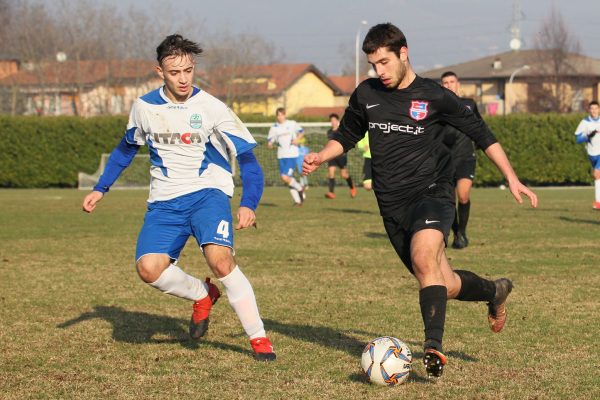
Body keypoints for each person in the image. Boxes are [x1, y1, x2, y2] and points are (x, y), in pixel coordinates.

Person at [303, 23, 537, 378]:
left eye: (384, 62)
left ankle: (433, 348)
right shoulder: (366, 94)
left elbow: (481, 132)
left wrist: (511, 176)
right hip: (391, 204)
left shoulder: (434, 95)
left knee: (424, 257)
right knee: (442, 281)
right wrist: (322, 155)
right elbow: (347, 134)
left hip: (432, 192)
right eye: (373, 64)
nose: (378, 71)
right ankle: (495, 290)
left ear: (403, 53)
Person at [81, 34, 275, 362]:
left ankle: (259, 339)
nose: (183, 78)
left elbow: (248, 161)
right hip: (164, 202)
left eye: (188, 70)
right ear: (160, 72)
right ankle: (203, 294)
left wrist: (248, 203)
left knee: (221, 260)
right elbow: (125, 149)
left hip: (207, 195)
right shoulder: (143, 107)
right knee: (149, 269)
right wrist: (101, 188)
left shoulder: (213, 108)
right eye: (175, 72)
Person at [440, 71, 480, 249]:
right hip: (445, 161)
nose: (449, 85)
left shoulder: (469, 105)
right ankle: (457, 234)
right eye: (445, 82)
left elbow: (480, 128)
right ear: (442, 86)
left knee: (463, 196)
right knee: (449, 201)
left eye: (452, 81)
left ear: (458, 84)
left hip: (465, 158)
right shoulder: (438, 108)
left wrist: (482, 145)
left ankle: (462, 231)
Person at [268, 107, 306, 206]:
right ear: (276, 116)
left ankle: (300, 188)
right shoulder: (274, 127)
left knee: (285, 177)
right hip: (281, 155)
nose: (280, 117)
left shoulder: (292, 124)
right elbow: (271, 139)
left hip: (292, 154)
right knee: (288, 179)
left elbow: (301, 131)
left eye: (282, 114)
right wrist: (270, 144)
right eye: (278, 115)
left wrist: (297, 139)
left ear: (285, 115)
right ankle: (298, 201)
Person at [574, 100, 600, 210]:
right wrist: (588, 136)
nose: (594, 111)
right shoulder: (584, 122)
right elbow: (578, 139)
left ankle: (598, 202)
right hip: (592, 153)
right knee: (598, 177)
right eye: (592, 108)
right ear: (589, 110)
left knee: (596, 174)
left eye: (596, 108)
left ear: (599, 110)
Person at [325, 113, 357, 199]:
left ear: (337, 121)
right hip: (331, 156)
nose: (333, 122)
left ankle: (352, 187)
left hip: (341, 156)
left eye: (334, 120)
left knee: (344, 175)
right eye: (331, 121)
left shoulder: (341, 131)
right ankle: (331, 193)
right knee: (331, 173)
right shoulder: (329, 132)